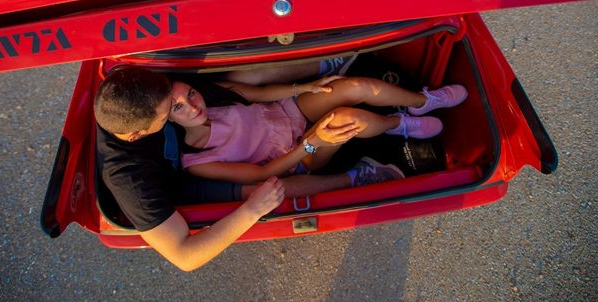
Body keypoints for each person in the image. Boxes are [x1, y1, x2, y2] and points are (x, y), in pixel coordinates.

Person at [94, 67, 406, 271]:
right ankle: (352, 179)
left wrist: (302, 85)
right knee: (262, 191)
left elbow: (239, 89)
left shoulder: (134, 85)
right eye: (166, 116)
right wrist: (251, 211)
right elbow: (184, 256)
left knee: (238, 78)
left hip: (230, 128)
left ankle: (328, 62)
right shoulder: (129, 179)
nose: (176, 109)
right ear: (137, 135)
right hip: (181, 181)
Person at [171, 73, 467, 184]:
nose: (192, 106)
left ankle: (422, 101)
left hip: (287, 110)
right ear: (168, 119)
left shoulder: (213, 94)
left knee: (356, 86)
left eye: (190, 95)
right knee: (346, 118)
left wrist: (306, 86)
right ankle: (398, 124)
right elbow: (262, 174)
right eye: (178, 107)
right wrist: (310, 145)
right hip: (296, 156)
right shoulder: (197, 162)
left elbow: (260, 94)